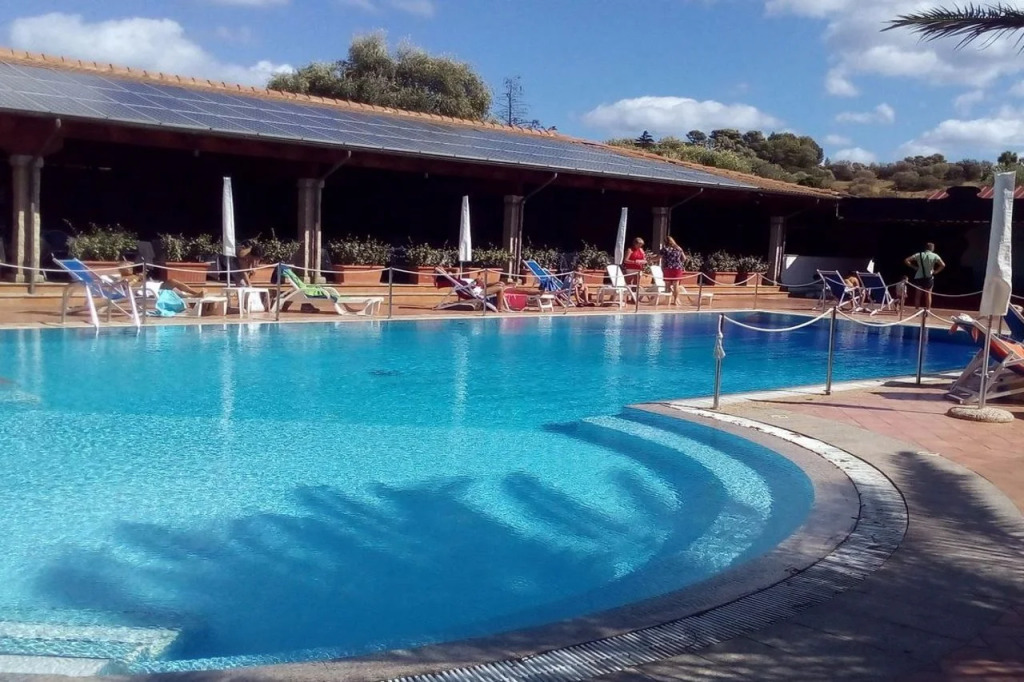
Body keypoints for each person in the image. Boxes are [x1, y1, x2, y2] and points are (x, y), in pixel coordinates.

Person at [904, 242, 945, 309]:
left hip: (919, 276)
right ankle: (928, 310)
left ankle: (917, 310)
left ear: (925, 248)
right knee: (928, 294)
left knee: (918, 295)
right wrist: (936, 271)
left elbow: (906, 260)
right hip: (929, 277)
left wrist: (914, 267)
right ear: (932, 248)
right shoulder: (935, 255)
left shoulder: (919, 254)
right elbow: (943, 265)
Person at [657, 236, 687, 306]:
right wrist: (678, 262)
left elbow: (658, 258)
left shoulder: (665, 249)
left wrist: (650, 259)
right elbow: (684, 258)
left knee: (667, 285)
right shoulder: (678, 248)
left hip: (668, 268)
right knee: (676, 285)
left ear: (665, 242)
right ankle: (675, 300)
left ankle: (667, 301)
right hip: (677, 268)